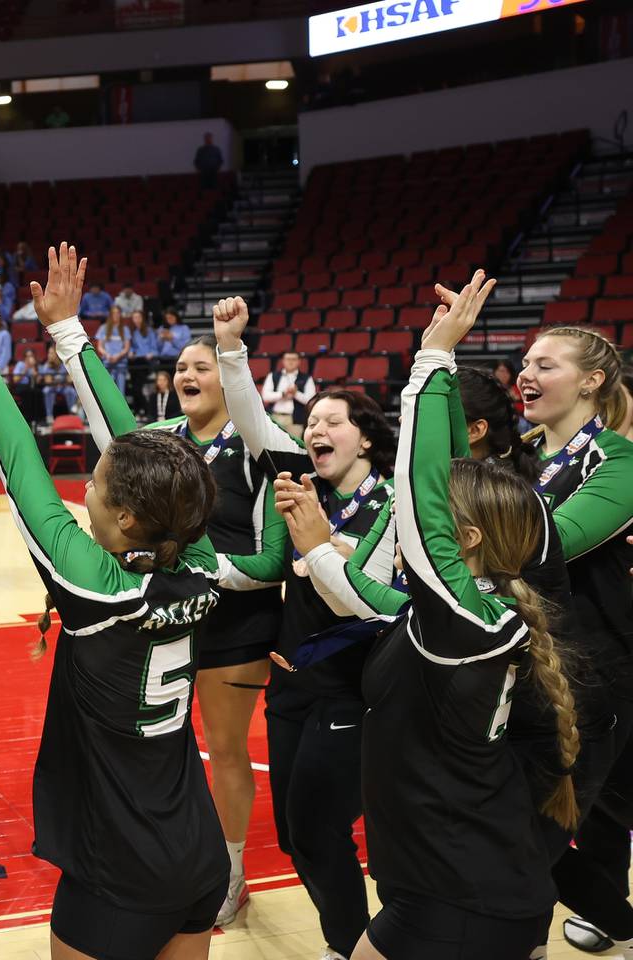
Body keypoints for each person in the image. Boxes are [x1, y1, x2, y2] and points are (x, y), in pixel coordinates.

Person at [310, 274, 580, 959]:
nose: (408, 519)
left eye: (432, 523)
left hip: (461, 895)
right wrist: (316, 549)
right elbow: (369, 589)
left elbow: (423, 491)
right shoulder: (465, 618)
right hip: (465, 881)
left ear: (462, 545)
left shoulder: (465, 621)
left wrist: (431, 359)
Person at [0, 266, 227, 959]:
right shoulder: (196, 561)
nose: (86, 493)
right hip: (195, 847)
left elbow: (21, 468)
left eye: (97, 488)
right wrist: (67, 331)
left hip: (120, 864)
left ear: (128, 517)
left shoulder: (100, 590)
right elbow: (142, 448)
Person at [39, 246, 289, 930]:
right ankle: (191, 861)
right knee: (172, 744)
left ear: (230, 379)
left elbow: (277, 559)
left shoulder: (263, 446)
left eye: (201, 365)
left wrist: (201, 570)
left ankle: (233, 872)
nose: (186, 372)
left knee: (227, 749)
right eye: (180, 366)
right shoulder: (160, 442)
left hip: (234, 624)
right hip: (166, 615)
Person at [214, 295, 402, 960]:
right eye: (311, 420)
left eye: (333, 421)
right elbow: (252, 420)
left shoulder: (389, 505)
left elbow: (365, 604)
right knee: (296, 837)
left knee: (321, 833)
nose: (316, 430)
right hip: (290, 688)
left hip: (350, 694)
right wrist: (231, 348)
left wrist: (325, 547)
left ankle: (352, 946)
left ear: (368, 438)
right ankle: (346, 942)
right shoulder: (303, 482)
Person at [514, 326, 633, 953]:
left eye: (547, 364)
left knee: (529, 841)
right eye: (526, 361)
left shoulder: (617, 459)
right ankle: (620, 922)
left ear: (591, 381)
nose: (526, 373)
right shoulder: (526, 455)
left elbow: (544, 545)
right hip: (540, 671)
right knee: (530, 835)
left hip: (596, 680)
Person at [262, 351, 317, 439]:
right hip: (275, 416)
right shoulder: (273, 376)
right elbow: (265, 397)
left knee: (294, 448)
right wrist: (283, 394)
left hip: (295, 419)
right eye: (288, 359)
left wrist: (295, 393)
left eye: (294, 359)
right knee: (274, 445)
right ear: (283, 361)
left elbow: (311, 400)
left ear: (299, 361)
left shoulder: (306, 378)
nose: (290, 362)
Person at [95, 307, 131, 396]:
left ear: (120, 315)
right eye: (113, 313)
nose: (116, 315)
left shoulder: (125, 329)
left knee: (120, 392)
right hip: (107, 363)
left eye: (118, 313)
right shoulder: (103, 328)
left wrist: (118, 356)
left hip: (121, 364)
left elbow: (126, 348)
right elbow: (100, 347)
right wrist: (107, 355)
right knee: (108, 391)